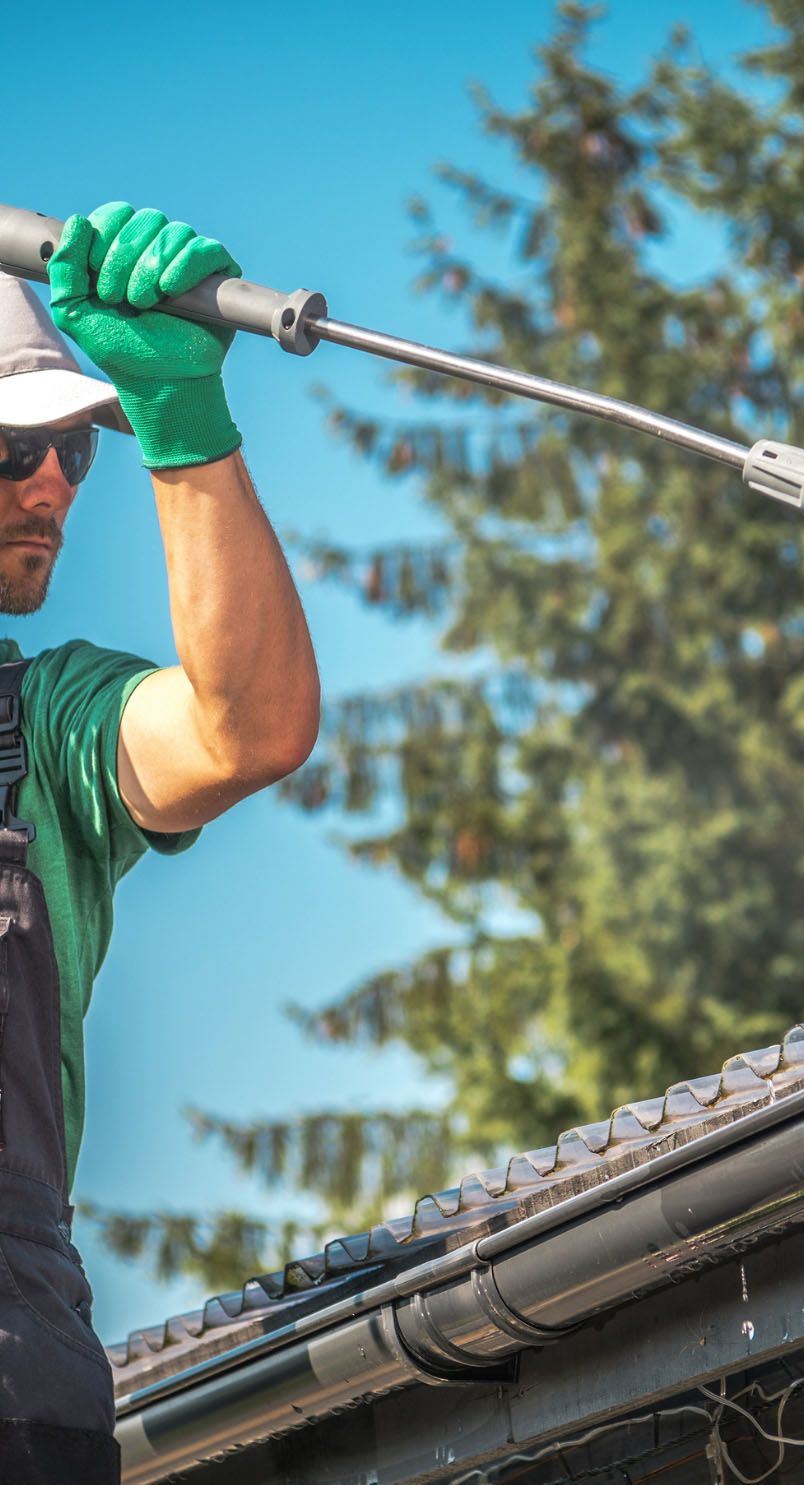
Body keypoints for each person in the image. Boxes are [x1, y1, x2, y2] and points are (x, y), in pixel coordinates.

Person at [0, 202, 320, 1482]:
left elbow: (247, 730)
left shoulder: (43, 726)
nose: (49, 488)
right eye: (9, 452)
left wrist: (182, 428)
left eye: (74, 451)